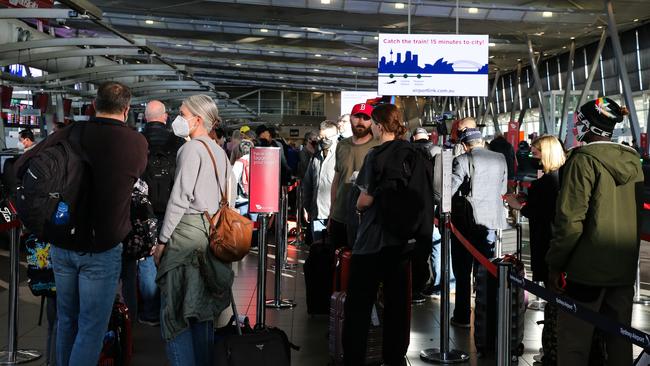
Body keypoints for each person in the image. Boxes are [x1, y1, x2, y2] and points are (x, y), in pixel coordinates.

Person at [15, 81, 148, 366]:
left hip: (62, 243)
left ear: (93, 106)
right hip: (102, 246)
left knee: (67, 321)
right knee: (91, 327)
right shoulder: (136, 142)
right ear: (126, 110)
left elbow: (20, 166)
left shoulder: (70, 132)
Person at [546, 97, 643, 366]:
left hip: (585, 271)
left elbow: (570, 220)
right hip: (622, 269)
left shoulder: (582, 161)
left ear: (587, 125)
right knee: (619, 341)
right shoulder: (633, 161)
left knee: (574, 342)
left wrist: (555, 264)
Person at [153, 94, 235, 366]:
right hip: (212, 236)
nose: (178, 119)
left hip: (186, 238)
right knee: (202, 313)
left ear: (198, 120)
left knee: (175, 316)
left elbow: (180, 197)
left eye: (182, 114)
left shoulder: (190, 150)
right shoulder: (219, 152)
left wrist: (163, 240)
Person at [342, 104, 412, 366]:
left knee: (359, 306)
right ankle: (393, 357)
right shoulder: (413, 153)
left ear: (380, 126)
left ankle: (355, 358)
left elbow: (364, 200)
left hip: (372, 242)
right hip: (401, 242)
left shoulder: (376, 155)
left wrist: (359, 202)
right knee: (395, 305)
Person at [505, 135, 565, 365]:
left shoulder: (545, 182)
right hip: (561, 243)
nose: (532, 155)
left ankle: (551, 351)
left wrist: (518, 205)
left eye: (536, 151)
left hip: (548, 245)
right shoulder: (564, 177)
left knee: (553, 301)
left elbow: (538, 213)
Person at [449, 128, 508, 328]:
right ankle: (488, 318)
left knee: (463, 273)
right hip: (491, 223)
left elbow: (450, 189)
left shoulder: (462, 160)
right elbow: (503, 189)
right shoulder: (500, 158)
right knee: (487, 271)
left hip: (466, 225)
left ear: (464, 145)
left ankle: (462, 317)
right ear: (481, 142)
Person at [138, 100, 185, 326]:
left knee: (147, 257)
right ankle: (171, 309)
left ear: (145, 118)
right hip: (172, 208)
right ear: (165, 117)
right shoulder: (178, 142)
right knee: (172, 256)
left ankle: (149, 313)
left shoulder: (136, 141)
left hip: (142, 209)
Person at [409, 128, 453, 301]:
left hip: (411, 207)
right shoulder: (439, 152)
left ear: (413, 138)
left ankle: (413, 287)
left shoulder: (408, 152)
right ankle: (434, 284)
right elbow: (439, 186)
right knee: (431, 246)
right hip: (431, 209)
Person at [329, 103, 379, 247]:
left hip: (365, 217)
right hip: (340, 216)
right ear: (350, 118)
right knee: (338, 263)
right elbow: (336, 180)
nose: (361, 121)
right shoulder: (342, 145)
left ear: (372, 122)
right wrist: (332, 213)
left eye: (366, 118)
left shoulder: (377, 146)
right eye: (357, 117)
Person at [302, 120, 338, 242]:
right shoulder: (316, 156)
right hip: (317, 212)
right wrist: (306, 207)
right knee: (318, 248)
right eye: (322, 137)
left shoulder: (341, 154)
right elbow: (307, 184)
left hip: (336, 214)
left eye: (328, 137)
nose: (324, 140)